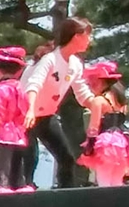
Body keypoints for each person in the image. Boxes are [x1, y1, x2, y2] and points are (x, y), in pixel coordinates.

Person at [22, 17, 96, 188]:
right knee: (28, 160)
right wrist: (31, 110)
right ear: (76, 36)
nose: (90, 40)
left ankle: (66, 202)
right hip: (24, 115)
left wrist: (99, 104)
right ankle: (23, 200)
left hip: (46, 116)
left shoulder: (75, 64)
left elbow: (82, 94)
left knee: (66, 159)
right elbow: (34, 84)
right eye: (88, 35)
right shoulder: (50, 59)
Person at [0, 47, 32, 193]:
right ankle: (21, 186)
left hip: (2, 136)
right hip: (19, 136)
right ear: (19, 71)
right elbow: (24, 112)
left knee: (1, 172)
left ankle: (2, 187)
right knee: (17, 171)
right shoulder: (21, 89)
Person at [76, 61, 128, 187]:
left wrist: (87, 152)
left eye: (93, 81)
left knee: (103, 183)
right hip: (123, 144)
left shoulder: (98, 101)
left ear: (101, 81)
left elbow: (93, 129)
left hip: (105, 144)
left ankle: (105, 206)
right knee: (117, 183)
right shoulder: (122, 104)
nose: (90, 84)